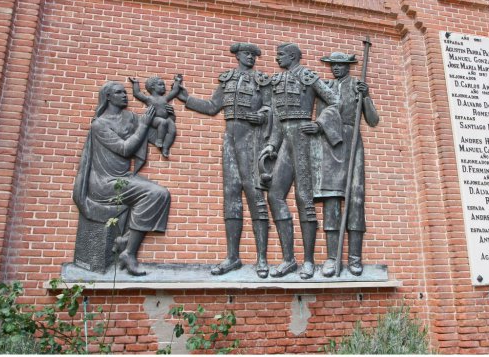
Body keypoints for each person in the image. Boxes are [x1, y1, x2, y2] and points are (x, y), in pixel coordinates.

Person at [176, 43, 273, 278]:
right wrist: (185, 98)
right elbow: (212, 107)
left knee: (255, 194)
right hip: (230, 138)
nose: (250, 57)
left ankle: (262, 258)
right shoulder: (227, 80)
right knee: (231, 194)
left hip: (251, 140)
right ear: (238, 55)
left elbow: (272, 110)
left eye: (253, 54)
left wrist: (260, 116)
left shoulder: (262, 80)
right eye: (246, 54)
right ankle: (233, 256)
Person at [259, 43, 342, 279]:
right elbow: (277, 118)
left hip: (303, 139)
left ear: (293, 56)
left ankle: (308, 261)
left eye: (281, 54)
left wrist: (319, 124)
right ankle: (288, 259)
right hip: (284, 138)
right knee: (274, 195)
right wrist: (271, 145)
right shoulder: (277, 81)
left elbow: (333, 100)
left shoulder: (308, 77)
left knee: (304, 198)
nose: (277, 58)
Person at [73, 81, 171, 276]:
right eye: (119, 93)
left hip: (123, 178)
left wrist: (165, 119)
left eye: (125, 92)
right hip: (105, 183)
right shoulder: (99, 125)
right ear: (108, 97)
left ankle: (125, 241)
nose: (125, 95)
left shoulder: (130, 117)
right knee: (154, 194)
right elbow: (125, 149)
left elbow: (151, 134)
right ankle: (129, 252)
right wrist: (143, 125)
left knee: (161, 194)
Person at [313, 52, 379, 276]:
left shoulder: (357, 86)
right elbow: (319, 117)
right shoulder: (326, 87)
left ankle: (354, 258)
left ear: (348, 66)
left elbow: (373, 120)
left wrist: (367, 97)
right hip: (330, 144)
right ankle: (332, 258)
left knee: (356, 198)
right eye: (333, 65)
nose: (336, 69)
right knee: (331, 199)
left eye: (341, 65)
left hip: (351, 141)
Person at [129, 75, 180, 158]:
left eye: (163, 84)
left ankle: (166, 148)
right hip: (154, 119)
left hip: (167, 118)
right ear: (152, 87)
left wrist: (177, 81)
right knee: (162, 122)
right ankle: (159, 140)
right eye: (160, 84)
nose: (163, 86)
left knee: (173, 130)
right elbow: (137, 93)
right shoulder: (149, 99)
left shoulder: (165, 98)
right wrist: (136, 83)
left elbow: (174, 91)